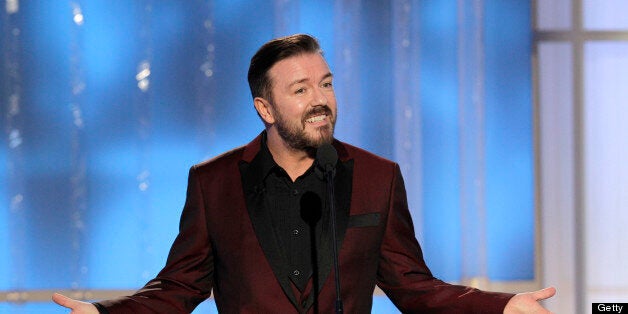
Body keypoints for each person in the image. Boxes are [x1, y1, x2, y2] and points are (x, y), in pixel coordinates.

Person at [53, 34, 556, 313]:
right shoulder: (215, 183)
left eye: (326, 83)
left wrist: (504, 308)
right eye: (300, 90)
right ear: (264, 108)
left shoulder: (378, 177)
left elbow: (416, 288)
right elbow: (178, 288)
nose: (320, 100)